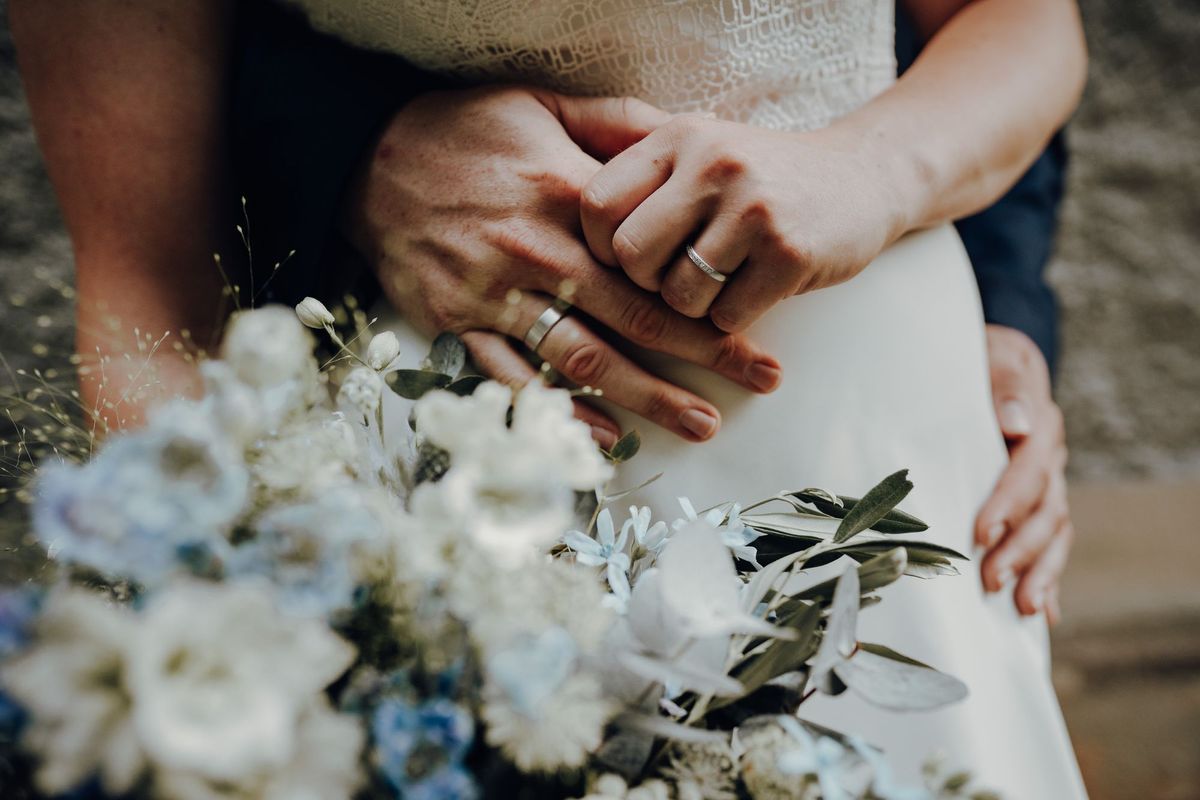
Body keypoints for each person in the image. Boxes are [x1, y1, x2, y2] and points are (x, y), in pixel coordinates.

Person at [9, 0, 1088, 795]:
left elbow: (1026, 22)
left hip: (870, 422)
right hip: (448, 504)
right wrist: (215, 652)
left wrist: (876, 173)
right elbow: (151, 297)